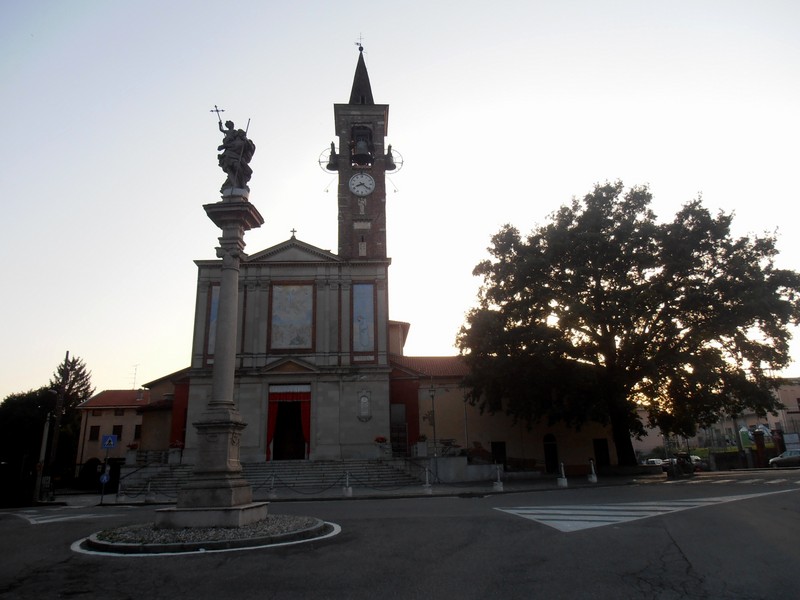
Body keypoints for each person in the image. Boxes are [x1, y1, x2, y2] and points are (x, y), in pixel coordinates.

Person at [217, 120, 255, 191]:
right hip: (228, 156)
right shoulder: (233, 140)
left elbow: (250, 147)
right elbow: (225, 145)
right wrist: (223, 146)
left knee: (239, 168)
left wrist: (245, 140)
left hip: (237, 158)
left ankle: (240, 183)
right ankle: (235, 184)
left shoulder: (243, 142)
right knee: (232, 169)